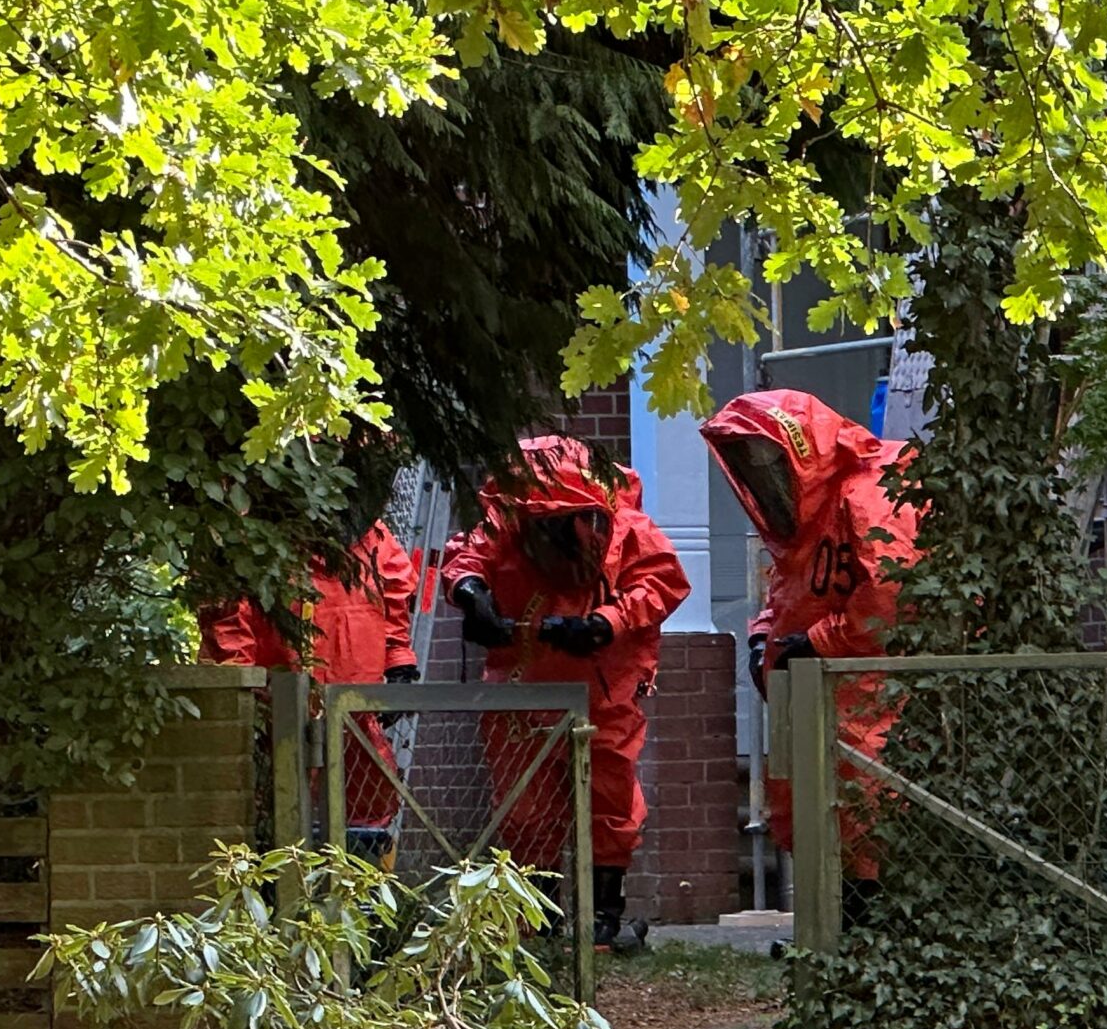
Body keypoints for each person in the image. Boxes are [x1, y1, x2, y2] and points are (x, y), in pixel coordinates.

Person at [439, 434, 688, 950]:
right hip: (522, 688)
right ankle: (540, 921)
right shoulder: (508, 517)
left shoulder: (627, 527)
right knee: (525, 808)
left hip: (604, 687)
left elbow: (661, 583)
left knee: (610, 801)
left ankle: (602, 917)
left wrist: (604, 623)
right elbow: (466, 558)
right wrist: (471, 594)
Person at [701, 390, 922, 871]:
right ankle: (835, 911)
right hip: (819, 695)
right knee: (819, 814)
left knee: (866, 809)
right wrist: (764, 639)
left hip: (865, 692)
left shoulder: (866, 496)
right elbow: (788, 592)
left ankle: (860, 911)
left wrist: (817, 641)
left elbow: (889, 596)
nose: (763, 477)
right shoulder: (809, 517)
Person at [198, 519, 422, 865]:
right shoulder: (252, 534)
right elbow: (228, 625)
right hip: (280, 713)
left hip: (352, 713)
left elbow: (393, 595)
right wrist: (242, 694)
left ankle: (356, 884)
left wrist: (398, 663)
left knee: (365, 811)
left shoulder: (370, 538)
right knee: (272, 812)